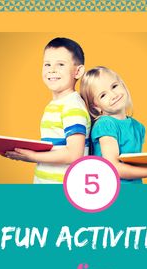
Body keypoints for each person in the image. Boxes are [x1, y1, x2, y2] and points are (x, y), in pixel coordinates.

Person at [6, 37, 91, 183]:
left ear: (77, 71)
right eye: (47, 64)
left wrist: (31, 156)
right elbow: (57, 147)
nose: (52, 70)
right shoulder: (57, 104)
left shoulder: (73, 106)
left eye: (60, 64)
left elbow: (74, 154)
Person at [80, 66, 147, 183]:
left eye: (114, 86)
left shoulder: (138, 127)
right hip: (112, 192)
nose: (113, 95)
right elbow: (113, 167)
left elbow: (133, 164)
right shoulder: (105, 124)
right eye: (103, 95)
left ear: (122, 85)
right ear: (96, 107)